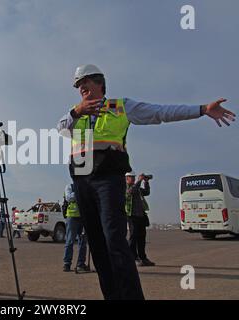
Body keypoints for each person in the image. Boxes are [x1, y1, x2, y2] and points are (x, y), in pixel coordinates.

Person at [57, 64, 235, 300]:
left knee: (114, 240)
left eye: (85, 83)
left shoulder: (120, 107)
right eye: (78, 85)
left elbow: (160, 112)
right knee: (97, 246)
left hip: (108, 179)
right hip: (81, 182)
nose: (81, 88)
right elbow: (60, 130)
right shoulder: (73, 113)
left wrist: (202, 109)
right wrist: (77, 112)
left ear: (99, 82)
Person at [125, 172, 154, 267]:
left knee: (142, 237)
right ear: (126, 178)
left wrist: (146, 182)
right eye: (131, 177)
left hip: (141, 215)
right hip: (132, 215)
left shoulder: (137, 187)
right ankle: (133, 258)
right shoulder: (124, 187)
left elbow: (147, 192)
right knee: (133, 237)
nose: (133, 179)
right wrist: (139, 180)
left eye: (134, 177)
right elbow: (130, 192)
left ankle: (143, 257)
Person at [63, 183, 88, 272]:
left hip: (84, 216)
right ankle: (67, 263)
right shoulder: (69, 186)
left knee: (83, 241)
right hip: (72, 216)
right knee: (70, 240)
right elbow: (68, 197)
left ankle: (80, 264)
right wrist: (79, 192)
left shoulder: (85, 186)